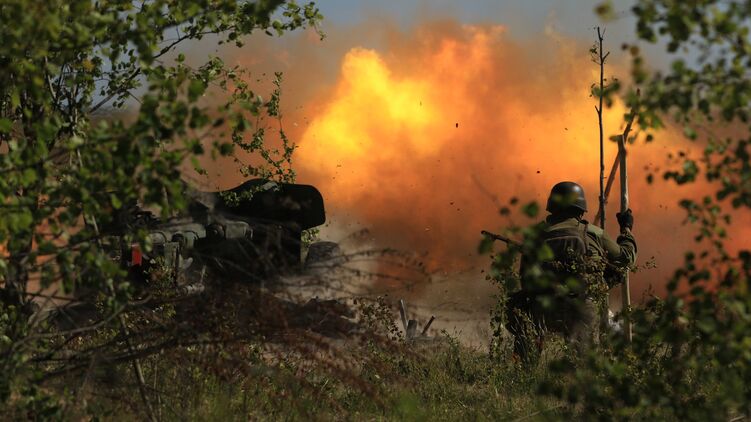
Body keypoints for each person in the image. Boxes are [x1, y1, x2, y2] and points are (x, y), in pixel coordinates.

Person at [505, 181, 637, 361]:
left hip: (542, 309)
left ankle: (524, 370)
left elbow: (526, 280)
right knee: (583, 370)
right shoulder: (594, 233)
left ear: (552, 207)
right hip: (582, 309)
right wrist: (626, 229)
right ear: (581, 209)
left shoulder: (535, 236)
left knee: (524, 363)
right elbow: (626, 258)